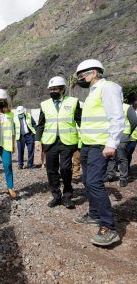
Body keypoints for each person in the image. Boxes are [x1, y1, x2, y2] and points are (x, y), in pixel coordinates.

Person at [73, 59, 124, 246]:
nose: (80, 79)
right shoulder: (92, 93)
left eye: (82, 75)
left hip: (100, 146)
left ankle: (108, 226)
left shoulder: (107, 88)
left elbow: (117, 117)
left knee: (94, 183)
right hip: (87, 145)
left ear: (94, 72)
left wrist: (112, 143)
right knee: (87, 181)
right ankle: (94, 215)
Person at [35, 76, 81, 209]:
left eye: (55, 89)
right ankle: (56, 196)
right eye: (51, 89)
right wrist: (37, 139)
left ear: (62, 89)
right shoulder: (44, 104)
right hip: (50, 142)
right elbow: (41, 125)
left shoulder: (73, 102)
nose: (52, 91)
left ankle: (67, 196)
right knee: (51, 170)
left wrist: (83, 139)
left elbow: (80, 121)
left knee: (66, 168)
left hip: (67, 142)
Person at [105, 99, 137, 186]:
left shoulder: (127, 107)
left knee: (122, 157)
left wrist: (128, 132)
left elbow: (134, 121)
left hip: (123, 135)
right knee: (111, 156)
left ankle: (123, 177)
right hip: (111, 135)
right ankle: (110, 174)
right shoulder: (109, 107)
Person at [127, 100, 137, 170]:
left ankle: (126, 168)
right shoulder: (132, 113)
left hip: (131, 137)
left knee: (128, 154)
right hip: (132, 137)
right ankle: (126, 168)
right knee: (128, 154)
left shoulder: (130, 112)